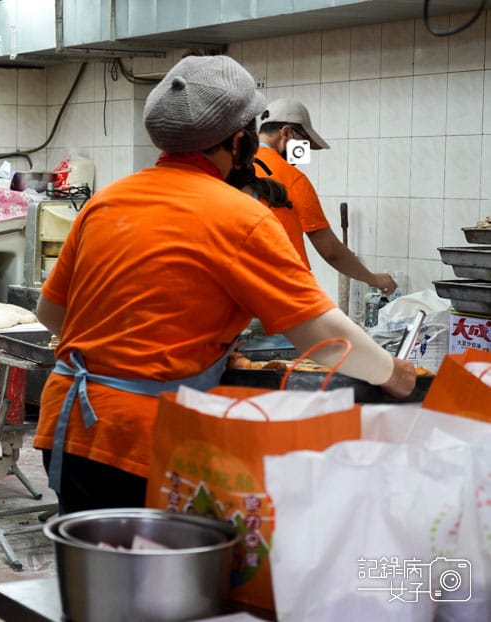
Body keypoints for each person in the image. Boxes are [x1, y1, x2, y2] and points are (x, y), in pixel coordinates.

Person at [32, 55, 416, 515]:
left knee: (92, 576)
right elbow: (324, 338)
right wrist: (394, 373)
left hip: (67, 425)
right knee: (163, 580)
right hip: (143, 440)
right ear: (239, 142)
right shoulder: (240, 216)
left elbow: (50, 315)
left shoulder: (107, 200)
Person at [254, 99, 397, 296]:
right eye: (304, 143)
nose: (304, 152)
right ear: (286, 133)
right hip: (278, 290)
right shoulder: (292, 178)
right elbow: (330, 250)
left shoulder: (232, 166)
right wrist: (373, 279)